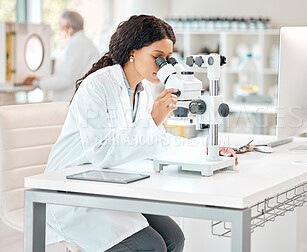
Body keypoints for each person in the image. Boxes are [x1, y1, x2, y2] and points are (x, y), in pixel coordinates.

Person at [44, 15, 238, 252]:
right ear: (133, 52)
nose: (163, 65)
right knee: (152, 246)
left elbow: (158, 141)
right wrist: (153, 119)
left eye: (168, 59)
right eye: (157, 57)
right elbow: (101, 152)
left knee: (175, 239)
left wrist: (204, 149)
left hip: (112, 186)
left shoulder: (143, 92)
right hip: (75, 192)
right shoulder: (97, 86)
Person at [23, 11, 99, 102]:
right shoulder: (84, 43)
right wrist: (41, 80)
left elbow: (65, 80)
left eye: (61, 27)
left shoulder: (76, 45)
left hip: (72, 102)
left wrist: (38, 83)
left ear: (66, 27)